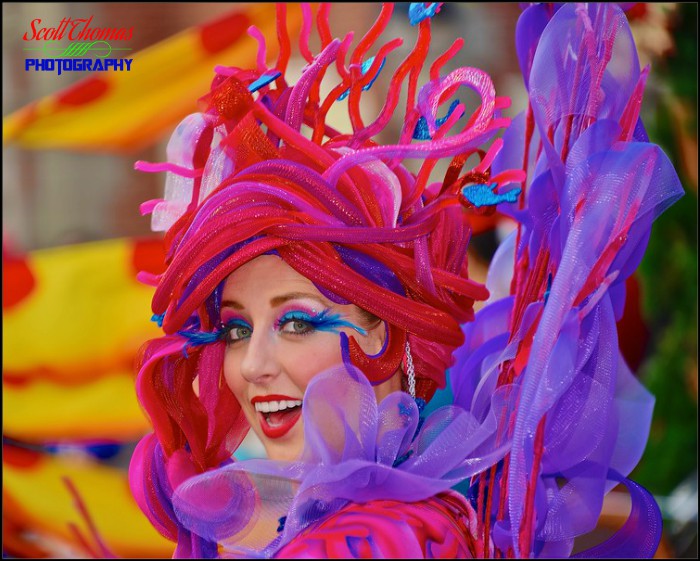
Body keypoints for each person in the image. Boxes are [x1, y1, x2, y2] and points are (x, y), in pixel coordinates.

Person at [128, 3, 683, 558]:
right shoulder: (407, 518)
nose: (251, 366)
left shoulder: (367, 541)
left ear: (380, 332)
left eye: (295, 321)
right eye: (235, 331)